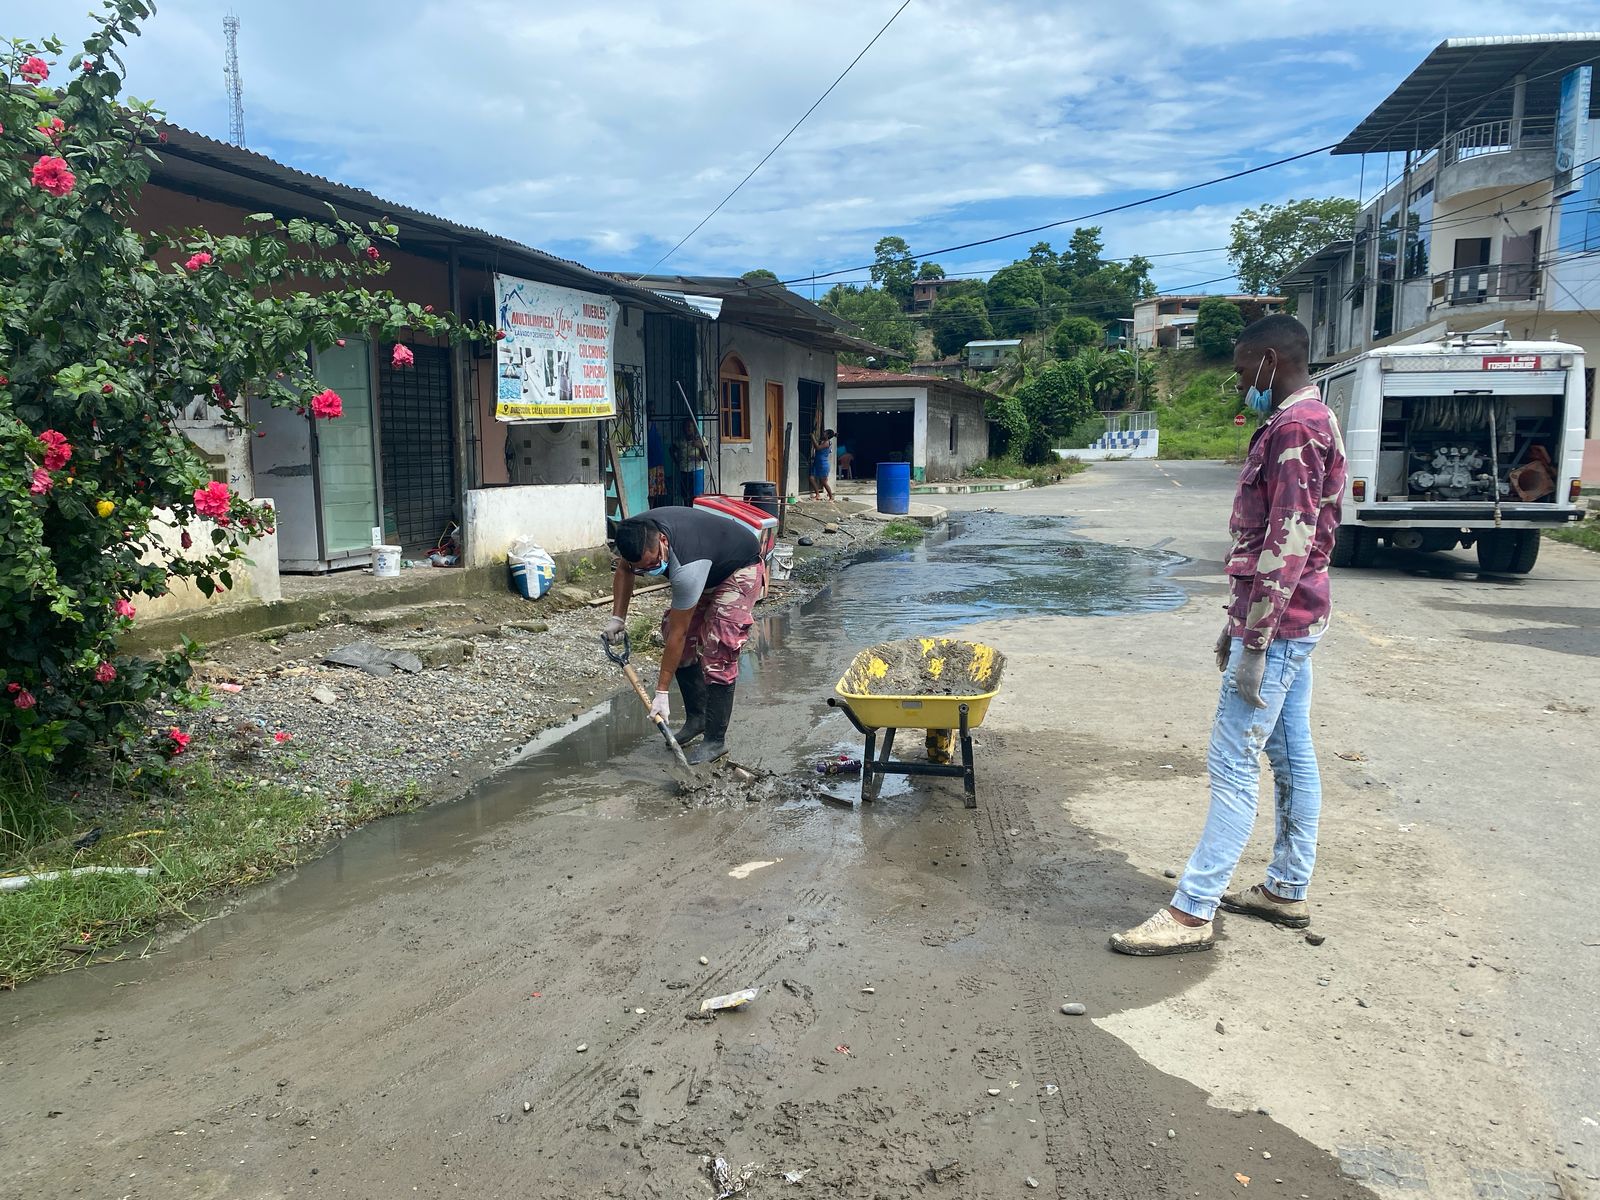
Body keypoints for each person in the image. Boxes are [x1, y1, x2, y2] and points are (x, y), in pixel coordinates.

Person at [1110, 314, 1347, 956]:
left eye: (1244, 370)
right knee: (1290, 751)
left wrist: (1257, 639)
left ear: (1271, 360)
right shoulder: (1307, 418)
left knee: (1233, 760)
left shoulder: (1296, 427)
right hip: (1289, 617)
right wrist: (1236, 621)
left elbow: (1288, 540)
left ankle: (1193, 911)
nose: (1242, 383)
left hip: (1281, 625)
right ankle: (1285, 887)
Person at [603, 508, 765, 765]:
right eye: (642, 569)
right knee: (670, 627)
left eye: (653, 564)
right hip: (708, 563)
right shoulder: (634, 534)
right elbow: (625, 569)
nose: (650, 571)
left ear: (663, 541)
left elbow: (679, 635)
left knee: (720, 646)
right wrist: (618, 618)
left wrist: (661, 692)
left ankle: (715, 741)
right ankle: (697, 719)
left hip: (738, 567)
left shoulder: (687, 567)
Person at [809, 427, 836, 501]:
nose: (823, 433)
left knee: (824, 482)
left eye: (824, 433)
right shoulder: (823, 441)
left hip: (823, 464)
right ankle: (817, 494)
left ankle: (831, 496)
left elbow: (817, 448)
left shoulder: (827, 443)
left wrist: (813, 438)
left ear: (827, 435)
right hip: (817, 463)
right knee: (811, 478)